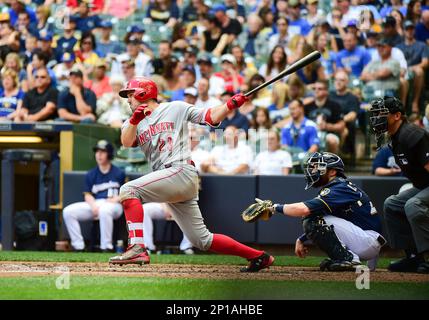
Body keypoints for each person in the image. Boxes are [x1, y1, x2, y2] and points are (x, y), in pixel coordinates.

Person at [109, 77, 274, 272]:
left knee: (128, 189)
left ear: (142, 93)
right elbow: (127, 142)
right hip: (169, 179)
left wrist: (229, 105)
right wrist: (135, 120)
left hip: (179, 169)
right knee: (201, 240)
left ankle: (136, 247)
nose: (128, 99)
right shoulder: (131, 122)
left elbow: (210, 117)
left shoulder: (174, 108)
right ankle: (259, 256)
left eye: (130, 94)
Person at [259, 152, 385, 271]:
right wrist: (302, 239)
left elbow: (303, 209)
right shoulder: (341, 186)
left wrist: (274, 207)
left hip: (367, 240)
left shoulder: (339, 188)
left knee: (311, 218)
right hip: (366, 240)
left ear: (332, 172)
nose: (313, 171)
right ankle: (344, 257)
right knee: (315, 216)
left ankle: (348, 258)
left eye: (317, 168)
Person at [369, 96, 429, 273]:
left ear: (397, 116)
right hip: (423, 185)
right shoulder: (395, 137)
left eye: (382, 114)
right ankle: (413, 257)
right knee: (392, 204)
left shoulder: (412, 135)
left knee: (414, 204)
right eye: (376, 114)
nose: (377, 118)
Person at [63, 140, 125, 252]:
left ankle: (106, 247)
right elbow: (88, 195)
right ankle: (79, 246)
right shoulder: (91, 174)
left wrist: (116, 199)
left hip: (114, 205)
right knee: (68, 211)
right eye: (97, 151)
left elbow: (126, 193)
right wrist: (93, 207)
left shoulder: (119, 173)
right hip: (97, 204)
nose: (99, 154)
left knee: (105, 210)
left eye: (103, 152)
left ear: (109, 154)